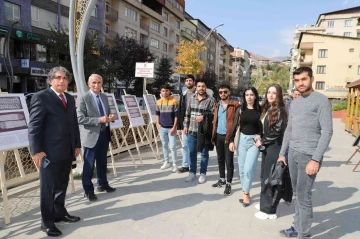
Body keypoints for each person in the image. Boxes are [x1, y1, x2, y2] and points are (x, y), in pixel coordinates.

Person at [278, 67, 333, 238]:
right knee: (296, 193)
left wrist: (315, 159)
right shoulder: (295, 102)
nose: (300, 83)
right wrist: (282, 153)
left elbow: (327, 132)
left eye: (304, 79)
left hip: (309, 156)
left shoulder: (321, 101)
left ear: (312, 79)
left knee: (304, 195)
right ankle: (297, 227)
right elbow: (289, 130)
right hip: (293, 153)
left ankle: (304, 234)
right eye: (297, 80)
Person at [28, 66, 81, 237]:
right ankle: (47, 222)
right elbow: (34, 127)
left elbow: (73, 123)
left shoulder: (70, 98)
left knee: (61, 185)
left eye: (65, 78)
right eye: (58, 77)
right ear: (50, 80)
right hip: (48, 153)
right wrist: (36, 151)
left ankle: (59, 212)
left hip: (67, 150)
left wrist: (77, 144)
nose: (62, 81)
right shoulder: (41, 97)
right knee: (48, 188)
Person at [77, 74, 116, 202]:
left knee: (102, 162)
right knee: (88, 165)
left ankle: (102, 183)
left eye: (99, 83)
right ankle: (88, 191)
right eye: (94, 82)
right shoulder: (83, 98)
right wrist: (99, 119)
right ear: (89, 84)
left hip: (104, 134)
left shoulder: (104, 97)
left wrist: (111, 116)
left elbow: (108, 112)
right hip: (91, 137)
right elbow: (80, 118)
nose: (96, 85)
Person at [254, 84, 287, 220]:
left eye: (274, 93)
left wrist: (262, 141)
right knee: (264, 176)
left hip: (274, 148)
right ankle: (265, 203)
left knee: (270, 178)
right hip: (268, 147)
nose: (270, 95)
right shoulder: (269, 108)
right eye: (268, 92)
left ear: (278, 95)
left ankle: (269, 210)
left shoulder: (280, 110)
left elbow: (276, 132)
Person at [229, 87, 262, 206]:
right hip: (242, 140)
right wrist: (232, 141)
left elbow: (263, 127)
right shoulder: (240, 109)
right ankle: (244, 191)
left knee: (249, 169)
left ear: (255, 96)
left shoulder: (260, 110)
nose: (249, 97)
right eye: (247, 95)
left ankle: (246, 193)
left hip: (254, 142)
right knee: (242, 169)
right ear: (244, 97)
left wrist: (260, 137)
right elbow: (234, 125)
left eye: (251, 95)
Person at [183, 79, 215, 183]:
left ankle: (203, 173)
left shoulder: (211, 100)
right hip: (192, 131)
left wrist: (204, 116)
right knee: (192, 153)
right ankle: (192, 172)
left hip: (204, 132)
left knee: (204, 154)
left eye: (203, 86)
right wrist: (185, 126)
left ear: (206, 88)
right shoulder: (191, 98)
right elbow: (187, 113)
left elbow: (214, 115)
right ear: (196, 87)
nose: (201, 88)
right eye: (199, 86)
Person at [211, 83, 240, 195]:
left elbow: (236, 123)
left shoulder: (235, 105)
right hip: (218, 135)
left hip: (229, 137)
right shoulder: (217, 105)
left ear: (229, 92)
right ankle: (222, 179)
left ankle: (229, 183)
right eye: (221, 92)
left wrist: (232, 139)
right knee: (220, 159)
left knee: (229, 161)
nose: (223, 94)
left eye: (225, 92)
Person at [156, 85, 179, 172]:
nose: (164, 92)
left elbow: (177, 116)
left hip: (171, 128)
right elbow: (157, 114)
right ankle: (166, 162)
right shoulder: (158, 102)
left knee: (172, 147)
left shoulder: (174, 101)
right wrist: (157, 124)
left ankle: (174, 164)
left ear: (169, 91)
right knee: (164, 145)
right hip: (162, 127)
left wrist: (174, 127)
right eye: (163, 91)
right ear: (161, 92)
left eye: (166, 90)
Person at [177, 75, 196, 173]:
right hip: (185, 124)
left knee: (194, 147)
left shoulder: (198, 94)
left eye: (190, 80)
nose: (189, 82)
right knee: (184, 146)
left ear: (194, 82)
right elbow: (180, 110)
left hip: (196, 124)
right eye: (187, 81)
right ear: (185, 83)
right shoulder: (184, 94)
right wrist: (179, 127)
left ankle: (193, 166)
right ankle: (185, 165)